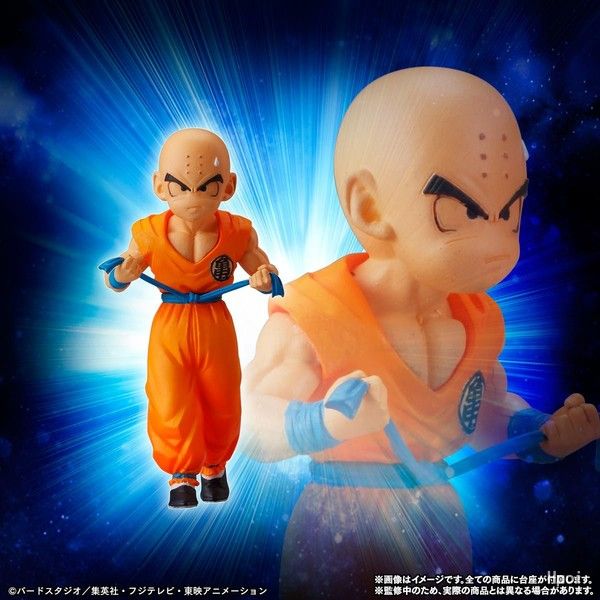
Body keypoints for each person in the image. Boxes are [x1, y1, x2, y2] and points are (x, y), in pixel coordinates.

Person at [243, 67, 600, 598]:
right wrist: (323, 421)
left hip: (438, 525)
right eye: (457, 211)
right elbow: (250, 424)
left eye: (509, 214)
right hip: (338, 533)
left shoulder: (479, 321)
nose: (498, 244)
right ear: (370, 207)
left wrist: (540, 432)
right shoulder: (314, 315)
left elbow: (479, 413)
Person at [104, 128, 278, 508]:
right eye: (180, 187)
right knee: (169, 396)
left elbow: (262, 269)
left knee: (221, 395)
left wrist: (265, 278)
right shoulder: (148, 233)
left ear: (228, 187)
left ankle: (215, 466)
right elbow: (117, 276)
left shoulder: (238, 232)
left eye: (207, 187)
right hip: (170, 324)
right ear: (159, 186)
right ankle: (181, 474)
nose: (193, 198)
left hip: (215, 323)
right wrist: (123, 273)